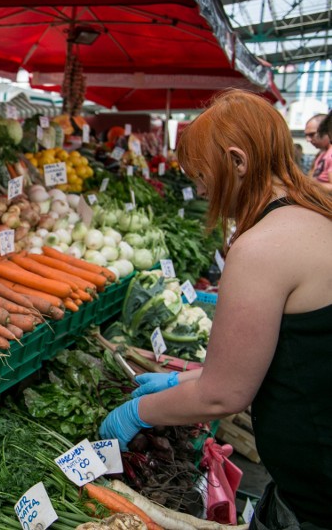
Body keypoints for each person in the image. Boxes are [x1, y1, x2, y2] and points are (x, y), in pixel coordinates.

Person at [99, 90, 332, 529]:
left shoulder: (263, 246)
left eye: (202, 175)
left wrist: (136, 412)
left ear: (238, 161)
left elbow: (225, 395)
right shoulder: (314, 211)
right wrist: (179, 379)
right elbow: (278, 357)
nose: (201, 190)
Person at [306, 112, 332, 190]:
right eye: (306, 135)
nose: (308, 139)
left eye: (312, 134)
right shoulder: (322, 153)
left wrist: (305, 184)